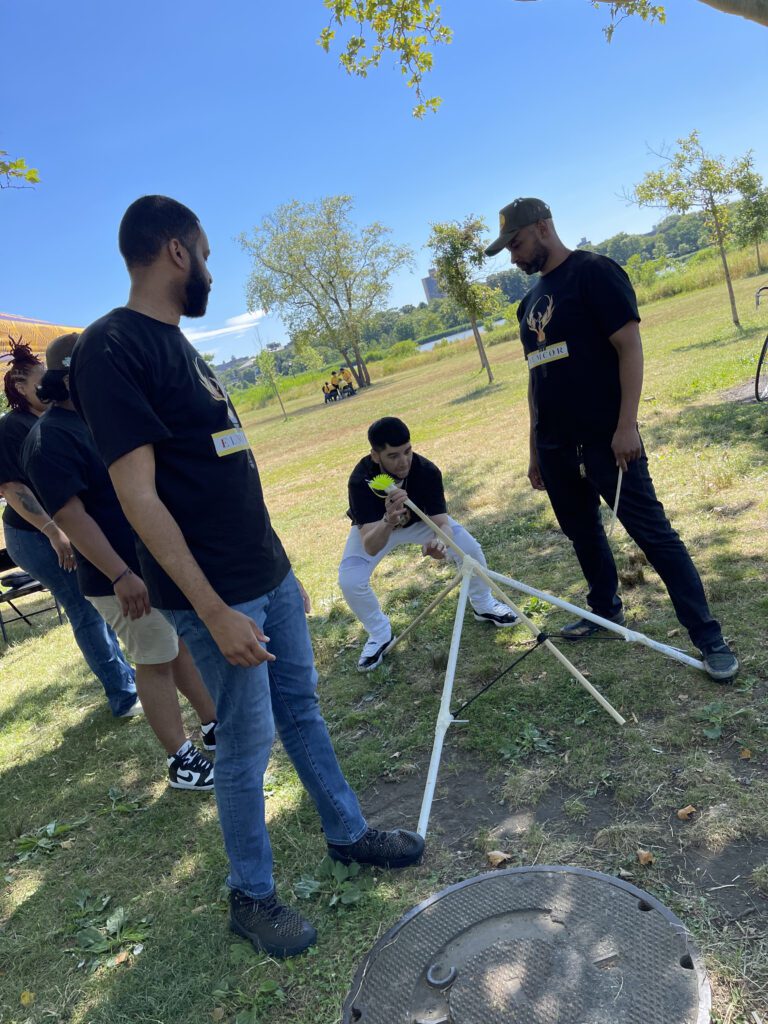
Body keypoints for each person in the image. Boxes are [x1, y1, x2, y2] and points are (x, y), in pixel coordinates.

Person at [70, 195, 424, 959]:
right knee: (246, 745)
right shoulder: (112, 348)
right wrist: (214, 610)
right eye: (204, 252)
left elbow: (230, 468)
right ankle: (251, 897)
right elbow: (138, 498)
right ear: (175, 252)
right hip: (218, 594)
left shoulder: (181, 346)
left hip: (263, 574)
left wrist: (282, 568)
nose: (208, 268)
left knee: (303, 711)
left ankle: (347, 833)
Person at [484, 196, 738, 682]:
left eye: (516, 244)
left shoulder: (595, 272)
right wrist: (535, 448)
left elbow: (629, 347)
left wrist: (627, 425)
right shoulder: (527, 304)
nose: (513, 257)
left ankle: (708, 636)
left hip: (606, 440)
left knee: (654, 536)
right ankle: (605, 608)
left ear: (542, 227)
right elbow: (537, 380)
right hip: (556, 447)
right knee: (582, 532)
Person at [22, 333, 217, 790]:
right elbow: (71, 514)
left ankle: (212, 724)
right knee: (153, 659)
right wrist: (121, 574)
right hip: (117, 576)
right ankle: (180, 760)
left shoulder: (97, 419)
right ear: (69, 377)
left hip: (146, 562)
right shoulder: (49, 438)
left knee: (176, 644)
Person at [0, 339, 140, 717]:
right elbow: (14, 490)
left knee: (93, 604)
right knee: (84, 606)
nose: (50, 385)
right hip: (33, 534)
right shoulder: (14, 427)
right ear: (20, 386)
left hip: (56, 526)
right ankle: (123, 694)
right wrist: (53, 531)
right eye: (41, 380)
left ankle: (125, 678)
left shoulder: (54, 419)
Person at [339, 417, 519, 672]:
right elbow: (369, 545)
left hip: (420, 524)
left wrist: (440, 543)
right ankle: (380, 633)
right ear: (375, 455)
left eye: (407, 451)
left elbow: (442, 524)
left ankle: (483, 604)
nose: (403, 461)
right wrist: (388, 520)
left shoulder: (427, 471)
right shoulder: (361, 481)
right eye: (393, 455)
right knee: (350, 580)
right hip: (380, 527)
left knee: (470, 549)